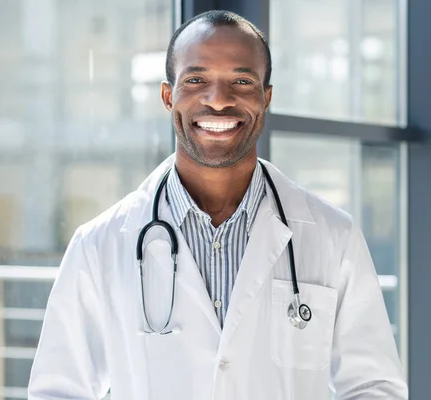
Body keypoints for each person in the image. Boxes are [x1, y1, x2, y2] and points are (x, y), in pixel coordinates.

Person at [28, 10, 408, 400]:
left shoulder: (332, 236)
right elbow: (58, 391)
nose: (219, 101)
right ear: (167, 96)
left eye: (241, 81)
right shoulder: (99, 244)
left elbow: (374, 387)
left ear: (266, 97)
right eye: (196, 80)